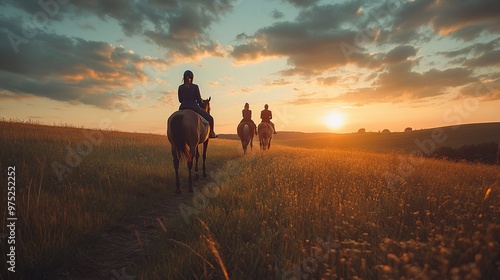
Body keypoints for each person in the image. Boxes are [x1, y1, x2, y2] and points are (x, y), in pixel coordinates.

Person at [178, 70, 217, 138]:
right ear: (192, 78)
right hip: (194, 107)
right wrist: (201, 104)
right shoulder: (195, 87)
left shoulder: (180, 87)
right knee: (211, 119)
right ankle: (211, 133)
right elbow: (199, 100)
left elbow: (180, 100)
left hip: (182, 108)